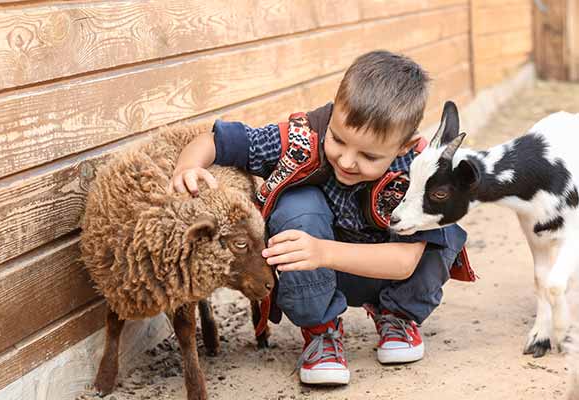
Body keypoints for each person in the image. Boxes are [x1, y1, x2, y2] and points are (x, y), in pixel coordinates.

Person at [168, 50, 471, 386]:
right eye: (339, 140)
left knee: (443, 228)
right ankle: (321, 331)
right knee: (297, 201)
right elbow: (215, 141)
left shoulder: (416, 173)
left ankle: (398, 316)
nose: (348, 161)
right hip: (316, 275)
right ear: (333, 114)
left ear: (403, 147)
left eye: (369, 155)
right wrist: (188, 167)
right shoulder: (303, 139)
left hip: (386, 272)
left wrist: (324, 252)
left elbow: (404, 263)